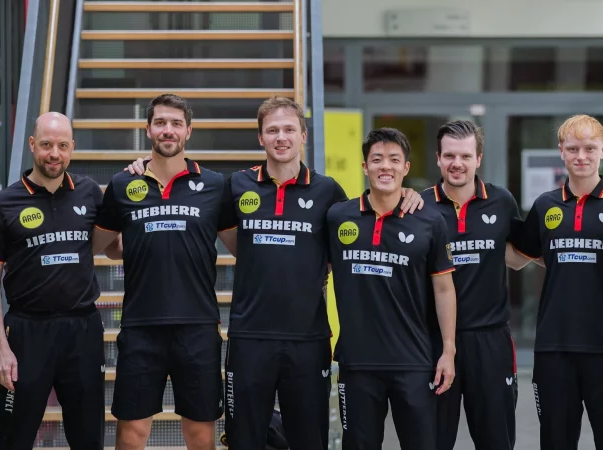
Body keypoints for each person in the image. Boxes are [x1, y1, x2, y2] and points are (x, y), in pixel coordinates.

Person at [125, 96, 424, 450]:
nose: (281, 137)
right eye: (272, 130)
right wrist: (147, 166)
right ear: (260, 138)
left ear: (303, 136)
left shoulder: (328, 192)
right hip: (249, 339)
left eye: (288, 129)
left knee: (309, 440)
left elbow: (371, 212)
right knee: (245, 440)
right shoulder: (234, 186)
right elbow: (193, 207)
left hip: (309, 341)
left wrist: (407, 192)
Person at [91, 94, 237, 450]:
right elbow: (102, 244)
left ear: (188, 130)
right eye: (160, 123)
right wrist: (134, 247)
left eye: (175, 123)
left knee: (200, 434)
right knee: (131, 433)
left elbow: (242, 249)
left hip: (198, 327)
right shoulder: (125, 185)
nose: (167, 130)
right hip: (141, 327)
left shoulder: (216, 186)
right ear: (148, 129)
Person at [0, 112, 106, 449]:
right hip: (26, 334)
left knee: (88, 438)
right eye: (47, 145)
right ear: (33, 144)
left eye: (63, 146)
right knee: (15, 437)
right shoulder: (3, 204)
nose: (55, 154)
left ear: (72, 148)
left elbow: (115, 246)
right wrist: (1, 349)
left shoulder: (90, 193)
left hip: (83, 331)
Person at [513, 114, 603, 450]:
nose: (580, 156)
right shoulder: (545, 205)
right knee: (556, 442)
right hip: (555, 347)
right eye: (573, 148)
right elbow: (522, 256)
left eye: (589, 148)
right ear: (561, 152)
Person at [326, 127, 457, 450]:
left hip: (413, 362)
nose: (386, 166)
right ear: (364, 166)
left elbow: (444, 289)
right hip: (358, 363)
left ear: (406, 168)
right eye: (377, 159)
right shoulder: (338, 216)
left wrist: (449, 351)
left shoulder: (429, 221)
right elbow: (315, 273)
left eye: (394, 160)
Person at [420, 120, 531, 450]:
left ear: (478, 159)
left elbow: (520, 254)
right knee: (433, 440)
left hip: (490, 340)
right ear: (438, 158)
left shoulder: (501, 202)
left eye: (466, 156)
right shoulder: (417, 206)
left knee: (496, 439)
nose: (457, 163)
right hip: (433, 343)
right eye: (450, 155)